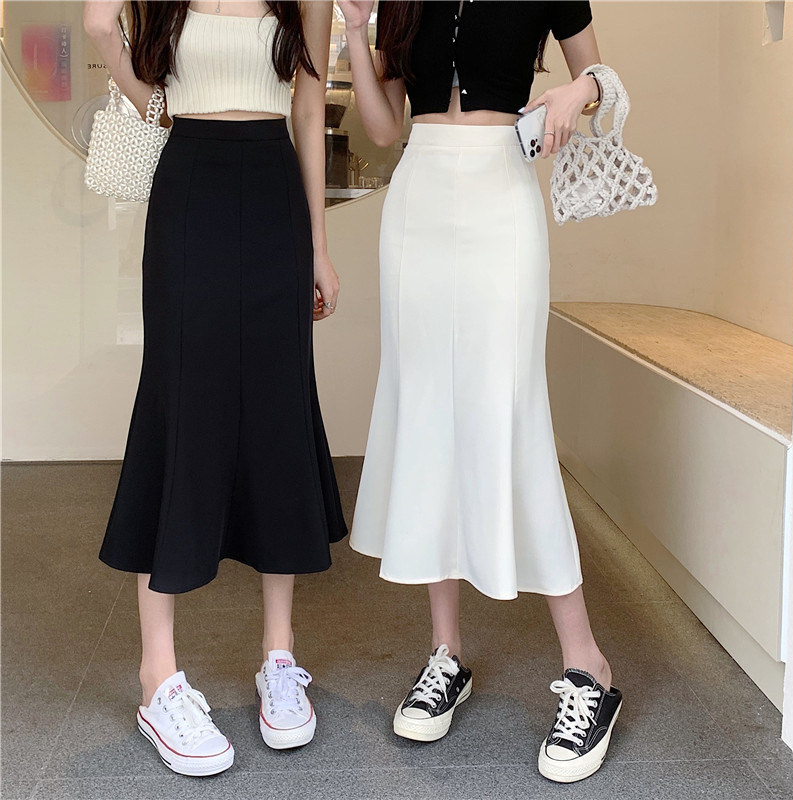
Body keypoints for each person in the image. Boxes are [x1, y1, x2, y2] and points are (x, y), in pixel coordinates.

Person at [339, 0, 621, 784]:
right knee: (431, 419)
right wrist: (357, 31)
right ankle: (446, 654)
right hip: (418, 204)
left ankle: (588, 665)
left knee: (513, 417)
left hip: (503, 198)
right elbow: (383, 128)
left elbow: (602, 78)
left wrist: (580, 89)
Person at [85, 0, 347, 776]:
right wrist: (105, 36)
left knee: (276, 413)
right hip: (189, 184)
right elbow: (137, 75)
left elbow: (308, 112)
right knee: (177, 410)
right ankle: (157, 675)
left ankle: (279, 657)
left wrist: (318, 245)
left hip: (274, 193)